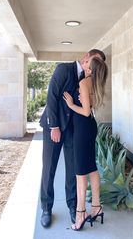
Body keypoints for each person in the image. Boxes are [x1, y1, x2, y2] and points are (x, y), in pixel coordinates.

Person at [39, 49, 106, 228]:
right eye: (92, 63)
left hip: (74, 130)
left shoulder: (88, 79)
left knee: (73, 170)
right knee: (49, 167)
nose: (92, 68)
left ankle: (73, 206)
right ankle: (46, 208)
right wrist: (54, 126)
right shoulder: (63, 69)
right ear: (86, 58)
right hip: (54, 127)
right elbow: (51, 97)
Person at [63, 56, 108, 231]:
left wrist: (71, 104)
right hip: (89, 127)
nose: (85, 64)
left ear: (91, 69)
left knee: (80, 171)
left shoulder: (84, 83)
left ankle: (81, 213)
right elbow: (92, 107)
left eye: (88, 63)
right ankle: (97, 207)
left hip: (83, 128)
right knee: (90, 167)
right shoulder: (95, 83)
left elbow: (86, 111)